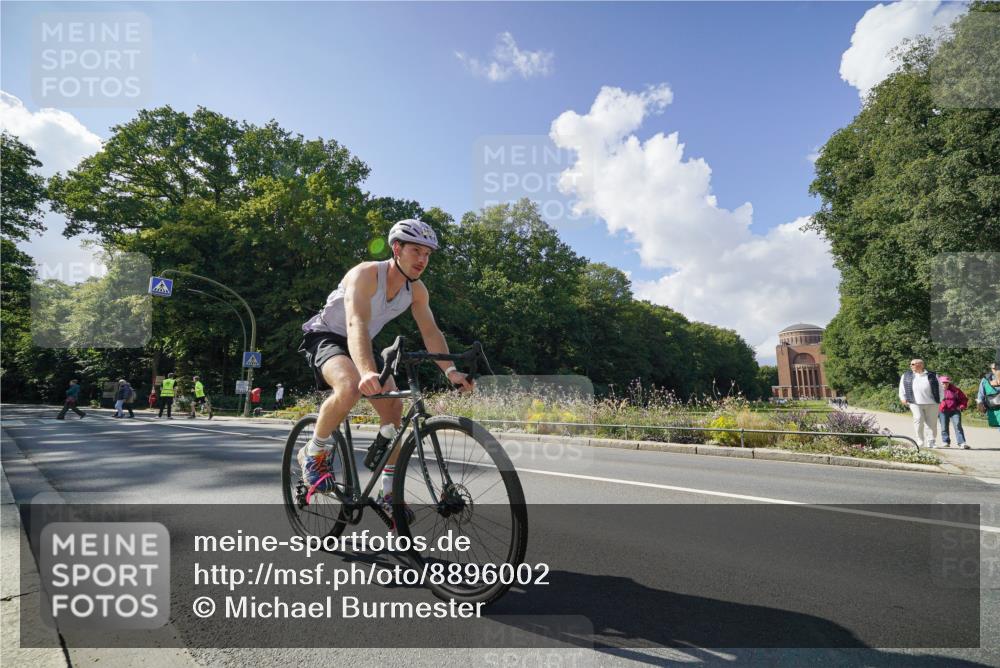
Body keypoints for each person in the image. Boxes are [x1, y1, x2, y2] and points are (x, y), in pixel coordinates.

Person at [298, 219, 473, 515]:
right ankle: (313, 451)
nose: (422, 259)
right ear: (396, 248)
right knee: (351, 386)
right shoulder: (366, 274)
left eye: (428, 254)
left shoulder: (416, 291)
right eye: (416, 250)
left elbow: (431, 333)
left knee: (394, 410)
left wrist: (451, 371)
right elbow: (356, 323)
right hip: (328, 336)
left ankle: (389, 494)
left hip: (363, 342)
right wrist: (366, 371)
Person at [898, 358, 944, 448]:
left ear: (921, 365)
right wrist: (902, 398)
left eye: (914, 364)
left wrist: (940, 399)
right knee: (918, 420)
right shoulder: (906, 375)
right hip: (914, 402)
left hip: (932, 403)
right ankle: (920, 440)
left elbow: (940, 389)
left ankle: (931, 441)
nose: (911, 366)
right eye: (911, 364)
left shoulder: (932, 375)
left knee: (932, 423)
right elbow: (902, 388)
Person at [938, 376, 969, 449]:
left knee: (958, 425)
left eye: (946, 383)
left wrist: (961, 407)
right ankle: (946, 441)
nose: (945, 385)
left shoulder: (956, 390)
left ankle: (961, 443)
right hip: (942, 411)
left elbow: (964, 399)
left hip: (954, 410)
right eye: (943, 383)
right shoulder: (936, 390)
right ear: (940, 383)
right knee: (944, 427)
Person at [977, 361, 1000, 430]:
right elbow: (980, 395)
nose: (995, 370)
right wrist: (980, 405)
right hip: (994, 410)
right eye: (993, 368)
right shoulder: (985, 380)